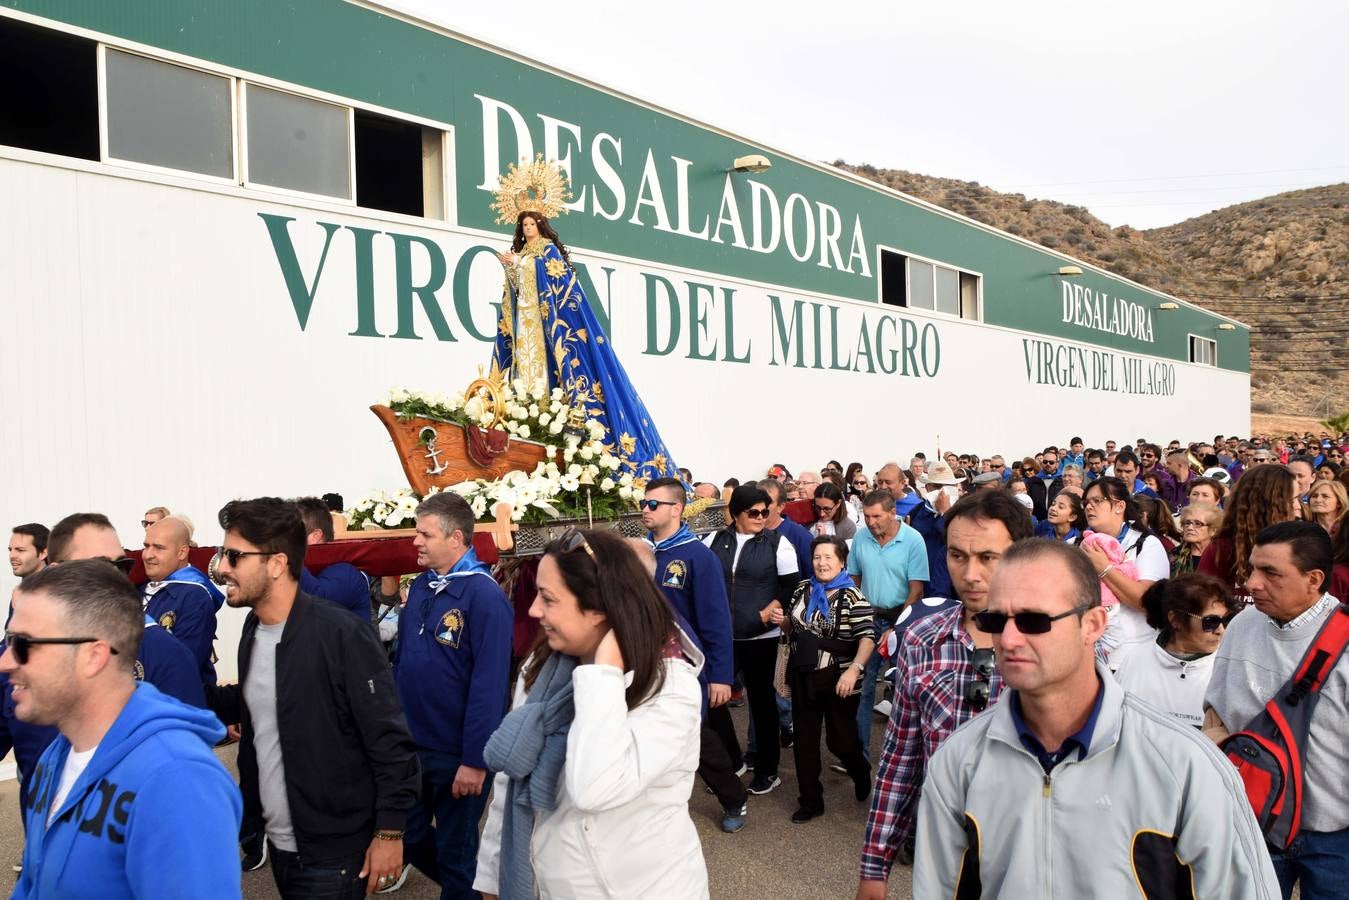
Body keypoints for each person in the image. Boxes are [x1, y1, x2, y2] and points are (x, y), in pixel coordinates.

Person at [913, 539, 1280, 898]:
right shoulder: (958, 761)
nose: (1008, 640)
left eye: (1033, 621)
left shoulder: (1187, 766)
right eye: (995, 620)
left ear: (1092, 624)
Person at [475, 530, 709, 899]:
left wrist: (603, 672)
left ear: (600, 607)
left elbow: (594, 789)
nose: (534, 610)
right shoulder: (542, 666)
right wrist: (492, 877)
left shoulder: (669, 687)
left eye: (548, 598)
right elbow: (511, 780)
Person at [206, 498, 419, 898]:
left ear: (276, 564)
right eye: (223, 554)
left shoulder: (341, 635)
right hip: (281, 845)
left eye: (234, 556)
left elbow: (389, 742)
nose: (222, 568)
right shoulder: (253, 629)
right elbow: (262, 702)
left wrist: (390, 833)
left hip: (334, 855)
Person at [4, 561, 242, 898]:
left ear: (92, 656)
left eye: (23, 644)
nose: (5, 661)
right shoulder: (56, 757)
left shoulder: (177, 780)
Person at [856, 489, 1030, 897]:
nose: (970, 574)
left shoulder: (1060, 642)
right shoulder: (921, 638)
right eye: (957, 556)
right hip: (944, 854)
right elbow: (900, 759)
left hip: (1033, 858)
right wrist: (874, 867)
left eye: (988, 557)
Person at [489, 185, 679, 480]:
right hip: (524, 319)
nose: (527, 229)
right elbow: (516, 287)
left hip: (545, 320)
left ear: (540, 225)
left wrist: (524, 267)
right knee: (524, 367)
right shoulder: (522, 252)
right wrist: (511, 268)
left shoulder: (548, 250)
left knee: (546, 367)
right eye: (524, 225)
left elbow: (559, 282)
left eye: (531, 224)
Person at [1204, 521, 1347, 899]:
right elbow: (1215, 717)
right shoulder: (1242, 626)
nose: (1252, 583)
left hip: (1335, 840)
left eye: (1271, 573)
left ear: (1314, 580)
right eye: (1252, 568)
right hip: (1255, 824)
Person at [394, 491, 513, 897]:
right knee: (406, 835)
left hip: (456, 751)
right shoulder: (422, 586)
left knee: (455, 852)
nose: (416, 541)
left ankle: (466, 889)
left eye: (425, 534)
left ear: (456, 538)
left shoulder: (485, 596)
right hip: (412, 745)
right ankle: (476, 890)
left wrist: (475, 760)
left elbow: (490, 685)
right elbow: (402, 662)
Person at [641, 477, 745, 832]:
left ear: (676, 509)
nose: (645, 510)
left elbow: (716, 621)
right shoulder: (641, 553)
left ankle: (733, 797)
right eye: (643, 503)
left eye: (653, 504)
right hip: (646, 664)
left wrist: (721, 677)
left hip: (686, 668)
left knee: (697, 737)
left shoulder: (698, 557)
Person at [770, 535, 873, 822]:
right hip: (804, 673)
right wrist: (783, 622)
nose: (822, 563)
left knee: (840, 741)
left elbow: (867, 638)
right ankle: (810, 800)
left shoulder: (853, 596)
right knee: (804, 740)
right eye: (817, 557)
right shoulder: (803, 588)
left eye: (828, 557)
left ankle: (860, 769)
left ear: (842, 562)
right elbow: (795, 628)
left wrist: (854, 670)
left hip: (840, 678)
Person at [704, 485, 798, 795]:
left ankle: (768, 770)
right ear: (735, 514)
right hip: (724, 637)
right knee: (712, 699)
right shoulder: (714, 540)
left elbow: (790, 586)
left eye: (765, 512)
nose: (761, 517)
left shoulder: (778, 543)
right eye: (753, 512)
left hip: (762, 637)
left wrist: (767, 611)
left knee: (762, 705)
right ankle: (733, 761)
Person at [847, 490, 929, 760]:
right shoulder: (861, 537)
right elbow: (854, 580)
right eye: (867, 516)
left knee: (905, 688)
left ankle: (906, 755)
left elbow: (916, 589)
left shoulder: (913, 539)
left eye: (877, 516)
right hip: (868, 617)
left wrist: (897, 627)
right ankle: (859, 754)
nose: (871, 522)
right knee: (864, 683)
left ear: (893, 513)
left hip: (902, 618)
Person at [1109, 574, 1235, 727]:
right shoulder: (1136, 659)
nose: (1221, 630)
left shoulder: (1229, 668)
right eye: (1210, 622)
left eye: (1226, 620)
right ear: (1175, 620)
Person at [1077, 477, 1171, 648]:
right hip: (1086, 643)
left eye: (1097, 501)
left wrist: (1104, 569)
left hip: (1134, 646)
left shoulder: (1146, 543)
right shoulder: (1077, 544)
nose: (1089, 506)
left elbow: (1146, 601)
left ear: (1120, 506)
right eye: (1086, 502)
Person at [1199, 463, 1300, 601]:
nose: (1298, 506)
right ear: (1270, 504)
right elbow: (1202, 601)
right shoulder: (1222, 548)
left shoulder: (1299, 544)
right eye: (1292, 500)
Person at [140, 516, 222, 682]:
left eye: (158, 548)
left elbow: (184, 664)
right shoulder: (139, 590)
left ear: (182, 552)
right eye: (146, 546)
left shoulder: (195, 596)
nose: (148, 555)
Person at [294, 497, 373, 621]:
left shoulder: (346, 573)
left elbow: (317, 600)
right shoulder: (306, 568)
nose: (286, 540)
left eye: (291, 533)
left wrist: (289, 555)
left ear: (315, 537)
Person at [1173, 503, 1223, 576]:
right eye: (1187, 523)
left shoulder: (1222, 557)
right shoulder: (1173, 555)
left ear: (1213, 530)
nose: (1190, 527)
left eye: (1198, 524)